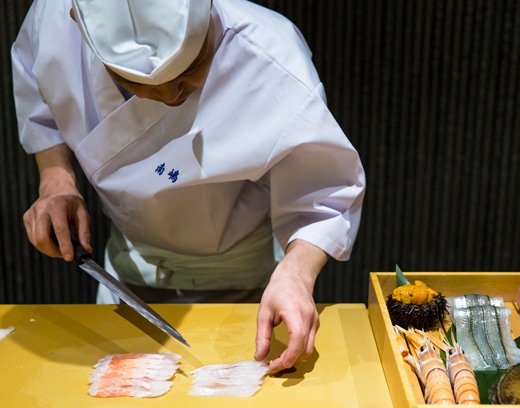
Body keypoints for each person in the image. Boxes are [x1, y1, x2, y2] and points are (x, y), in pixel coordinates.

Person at [11, 0, 365, 374]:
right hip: (123, 280)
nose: (171, 98)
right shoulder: (54, 16)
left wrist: (296, 274)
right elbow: (38, 90)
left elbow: (324, 195)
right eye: (138, 83)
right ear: (76, 23)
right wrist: (56, 179)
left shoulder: (272, 56)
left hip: (242, 288)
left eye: (192, 69)